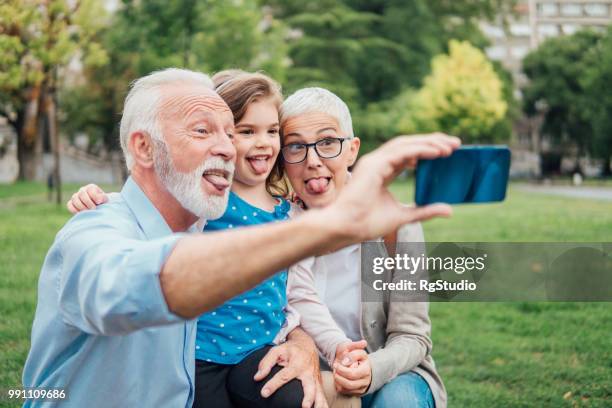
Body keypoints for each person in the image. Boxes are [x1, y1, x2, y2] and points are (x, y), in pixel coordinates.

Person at [23, 67, 457, 408]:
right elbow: (126, 281)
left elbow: (404, 333)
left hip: (352, 367)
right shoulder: (99, 230)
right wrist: (320, 230)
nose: (231, 148)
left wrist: (308, 342)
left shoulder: (209, 216)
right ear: (143, 148)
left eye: (231, 133)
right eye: (207, 131)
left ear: (352, 148)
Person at [280, 88, 447, 408]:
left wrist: (372, 369)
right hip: (310, 374)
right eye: (296, 146)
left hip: (392, 374)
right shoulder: (275, 225)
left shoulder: (398, 225)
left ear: (352, 150)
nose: (312, 161)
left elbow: (413, 336)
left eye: (327, 143)